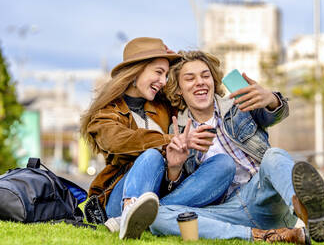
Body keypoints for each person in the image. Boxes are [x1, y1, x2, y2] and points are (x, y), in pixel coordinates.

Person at [150, 50, 324, 244]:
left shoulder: (239, 105)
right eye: (190, 78)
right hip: (225, 210)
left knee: (274, 155)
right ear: (179, 89)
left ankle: (306, 210)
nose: (200, 82)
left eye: (205, 76)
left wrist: (271, 99)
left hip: (263, 197)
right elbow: (187, 193)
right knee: (157, 216)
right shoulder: (176, 130)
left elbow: (276, 114)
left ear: (213, 81)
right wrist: (175, 168)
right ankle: (263, 236)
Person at [80, 38, 235, 240]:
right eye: (158, 72)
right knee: (152, 155)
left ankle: (152, 216)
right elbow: (115, 141)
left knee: (224, 164)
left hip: (162, 194)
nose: (163, 81)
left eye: (165, 74)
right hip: (117, 199)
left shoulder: (162, 106)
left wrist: (177, 60)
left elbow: (191, 87)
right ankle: (129, 212)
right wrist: (169, 141)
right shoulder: (107, 113)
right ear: (136, 72)